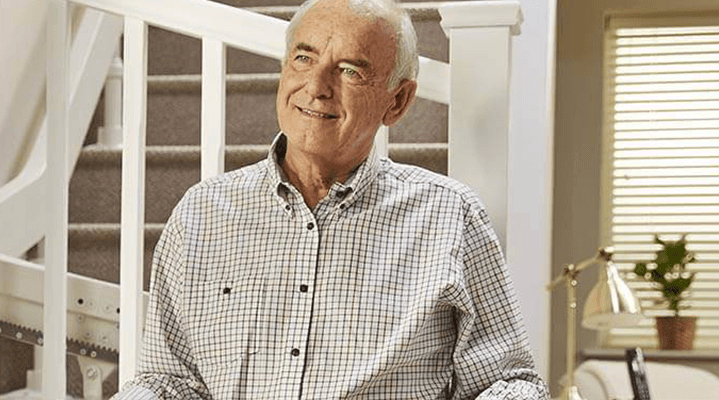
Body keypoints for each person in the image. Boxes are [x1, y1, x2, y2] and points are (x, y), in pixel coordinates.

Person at [110, 0, 547, 398]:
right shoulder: (201, 214)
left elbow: (509, 382)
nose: (316, 86)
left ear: (397, 102)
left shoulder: (451, 216)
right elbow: (168, 381)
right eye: (304, 58)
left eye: (350, 71)